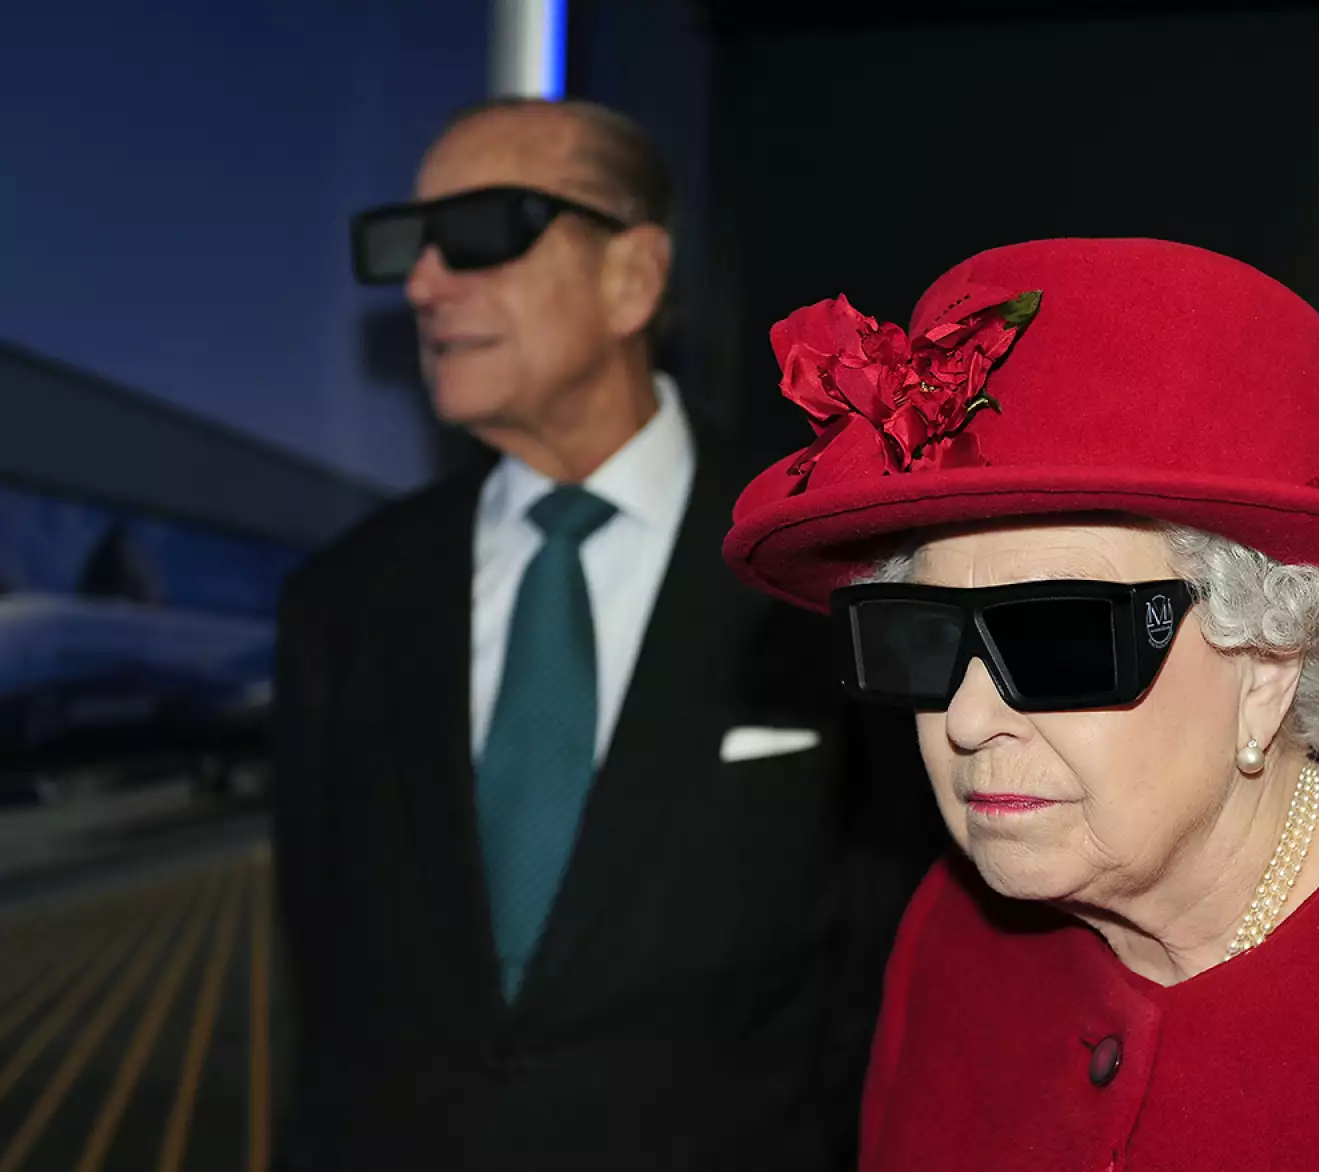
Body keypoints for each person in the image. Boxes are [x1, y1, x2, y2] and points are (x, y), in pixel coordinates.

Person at [721, 237, 1319, 1169]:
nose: (968, 722)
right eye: (925, 635)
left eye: (1058, 641)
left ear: (1267, 661)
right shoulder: (955, 930)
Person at [270, 98, 936, 1172]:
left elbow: (887, 962)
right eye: (406, 244)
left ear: (633, 276)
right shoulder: (342, 600)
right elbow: (321, 973)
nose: (423, 283)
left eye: (479, 232)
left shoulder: (821, 561)